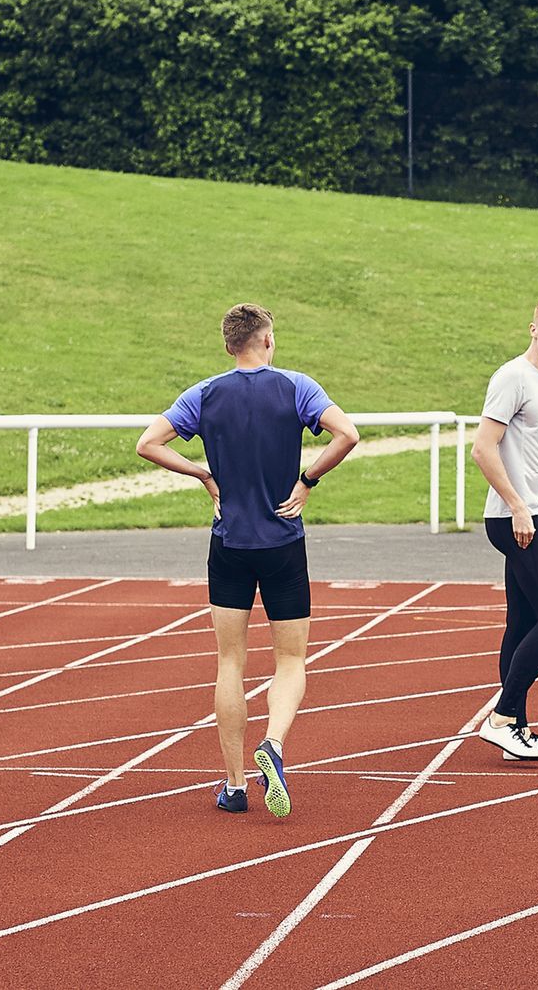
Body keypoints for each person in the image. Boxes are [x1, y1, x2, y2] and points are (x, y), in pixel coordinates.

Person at [136, 303, 359, 818]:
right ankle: (274, 745)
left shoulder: (205, 394)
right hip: (283, 541)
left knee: (230, 662)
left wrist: (202, 475)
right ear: (267, 341)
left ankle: (235, 785)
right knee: (291, 660)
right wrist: (307, 481)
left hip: (229, 543)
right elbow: (347, 434)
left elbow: (147, 444)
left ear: (229, 345)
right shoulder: (297, 386)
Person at [470, 296, 538, 762]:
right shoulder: (512, 377)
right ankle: (502, 717)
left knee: (523, 621)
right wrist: (518, 506)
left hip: (536, 512)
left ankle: (517, 728)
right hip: (511, 518)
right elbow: (482, 448)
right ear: (533, 329)